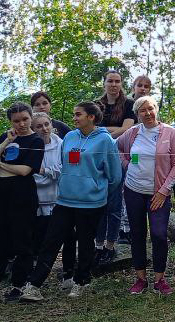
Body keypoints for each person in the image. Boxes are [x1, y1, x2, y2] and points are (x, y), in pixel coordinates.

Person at [19, 100, 122, 300]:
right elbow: (65, 164)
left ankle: (81, 281)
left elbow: (115, 175)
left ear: (91, 117)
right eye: (74, 114)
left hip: (91, 202)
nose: (74, 118)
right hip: (65, 200)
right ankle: (34, 285)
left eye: (78, 114)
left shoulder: (105, 140)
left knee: (84, 243)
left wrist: (98, 191)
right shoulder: (70, 137)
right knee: (51, 242)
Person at [0, 103, 45, 302]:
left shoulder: (36, 140)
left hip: (22, 193)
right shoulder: (7, 137)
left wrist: (1, 164)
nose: (21, 124)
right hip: (0, 191)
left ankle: (19, 285)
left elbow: (25, 170)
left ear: (31, 118)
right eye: (16, 121)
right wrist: (5, 143)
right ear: (10, 122)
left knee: (22, 239)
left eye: (25, 119)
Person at [115, 96, 175, 295]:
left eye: (151, 108)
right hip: (133, 190)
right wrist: (127, 165)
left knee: (159, 234)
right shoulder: (133, 132)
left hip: (158, 194)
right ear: (137, 114)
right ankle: (140, 278)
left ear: (156, 109)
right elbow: (118, 148)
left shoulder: (169, 132)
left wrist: (163, 192)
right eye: (143, 110)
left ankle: (160, 279)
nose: (148, 113)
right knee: (136, 234)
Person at [30, 112, 75, 287]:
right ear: (33, 129)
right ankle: (35, 276)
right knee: (41, 239)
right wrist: (51, 172)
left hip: (61, 199)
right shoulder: (30, 145)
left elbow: (66, 169)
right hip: (38, 201)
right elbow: (32, 174)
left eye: (46, 124)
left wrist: (45, 171)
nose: (44, 129)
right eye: (39, 126)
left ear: (51, 125)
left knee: (69, 237)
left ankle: (68, 275)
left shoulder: (62, 144)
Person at [95, 70, 135, 265]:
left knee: (117, 200)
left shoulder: (128, 104)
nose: (113, 84)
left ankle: (112, 243)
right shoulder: (97, 104)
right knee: (100, 199)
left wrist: (106, 132)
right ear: (104, 83)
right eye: (110, 81)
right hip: (100, 157)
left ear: (121, 84)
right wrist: (113, 131)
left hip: (122, 154)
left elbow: (128, 128)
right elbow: (93, 129)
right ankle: (98, 244)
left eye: (117, 81)